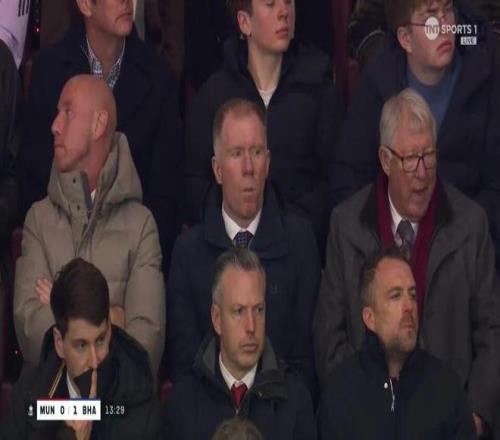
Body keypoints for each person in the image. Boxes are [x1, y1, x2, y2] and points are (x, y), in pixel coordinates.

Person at [315, 89, 500, 437]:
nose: (422, 172)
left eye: (429, 156)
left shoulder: (471, 225)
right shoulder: (346, 226)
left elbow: (493, 330)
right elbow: (329, 335)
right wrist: (363, 411)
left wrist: (473, 414)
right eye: (411, 158)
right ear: (385, 161)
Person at [14, 75, 165, 374]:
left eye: (68, 112)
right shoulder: (37, 220)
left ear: (98, 124)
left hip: (119, 400)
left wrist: (62, 308)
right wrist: (114, 317)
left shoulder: (141, 226)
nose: (55, 125)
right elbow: (30, 328)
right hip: (54, 400)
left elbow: (147, 341)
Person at [168, 98, 320, 395]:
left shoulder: (300, 242)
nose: (249, 168)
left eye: (257, 153)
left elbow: (304, 363)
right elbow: (184, 368)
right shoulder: (187, 253)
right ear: (217, 169)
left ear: (268, 163)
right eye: (237, 154)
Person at [18, 0, 183, 271]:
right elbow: (34, 182)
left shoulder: (159, 78)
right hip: (59, 262)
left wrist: (135, 259)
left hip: (133, 261)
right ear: (85, 5)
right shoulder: (49, 71)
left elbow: (166, 197)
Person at [333, 0, 500, 268]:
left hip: (467, 252)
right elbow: (348, 181)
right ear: (406, 39)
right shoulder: (379, 83)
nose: (445, 27)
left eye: (447, 10)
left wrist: (456, 237)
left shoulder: (484, 76)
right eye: (431, 18)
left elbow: (496, 185)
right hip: (388, 251)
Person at [185, 0, 343, 255]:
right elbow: (195, 181)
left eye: (288, 2)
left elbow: (333, 178)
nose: (284, 12)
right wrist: (233, 227)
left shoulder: (317, 87)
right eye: (270, 4)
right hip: (228, 249)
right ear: (244, 22)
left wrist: (289, 229)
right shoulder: (214, 94)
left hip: (298, 246)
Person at [317, 247, 476, 439]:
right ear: (369, 318)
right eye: (395, 296)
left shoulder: (446, 390)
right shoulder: (340, 394)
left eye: (413, 295)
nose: (409, 306)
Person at [165, 247, 316, 439]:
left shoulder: (296, 403)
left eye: (259, 310)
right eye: (239, 311)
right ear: (217, 319)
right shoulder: (181, 406)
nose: (251, 326)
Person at [2, 258, 162, 439]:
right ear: (59, 343)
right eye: (81, 346)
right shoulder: (29, 397)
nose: (94, 362)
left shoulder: (140, 402)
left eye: (100, 340)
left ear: (110, 329)